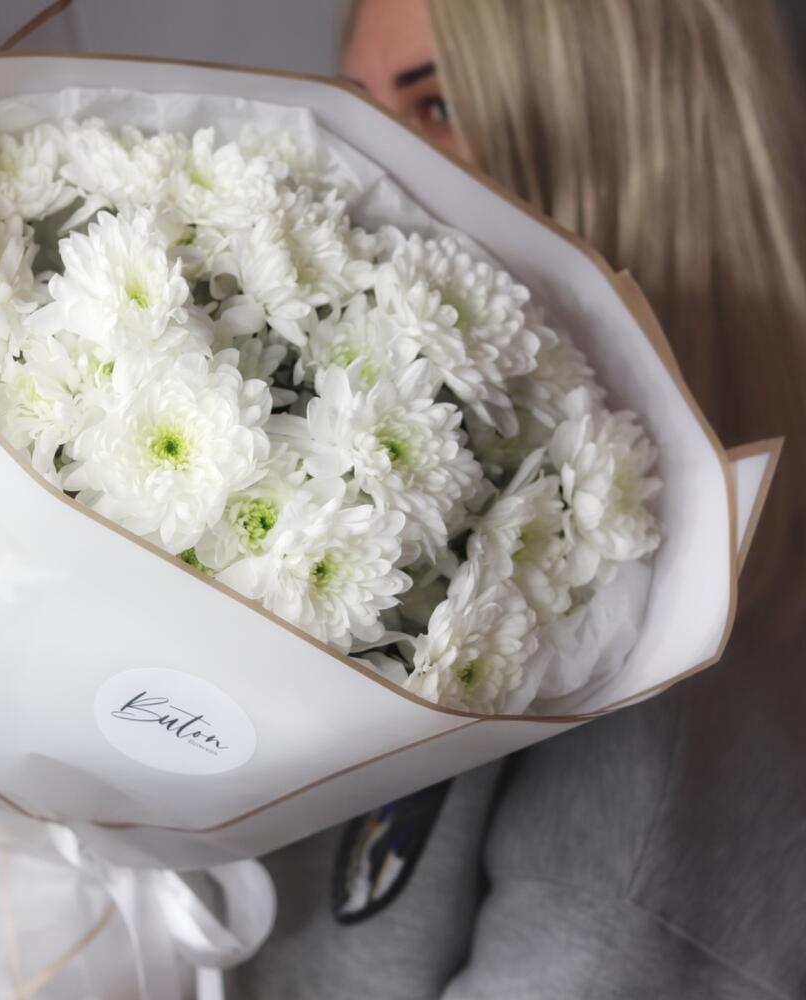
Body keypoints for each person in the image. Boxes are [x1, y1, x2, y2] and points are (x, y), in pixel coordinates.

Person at [235, 1, 806, 997]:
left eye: (439, 106)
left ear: (619, 148)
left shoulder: (677, 722)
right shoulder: (386, 535)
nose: (357, 164)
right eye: (355, 105)